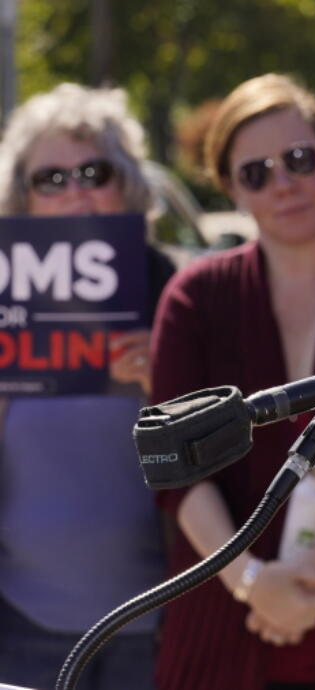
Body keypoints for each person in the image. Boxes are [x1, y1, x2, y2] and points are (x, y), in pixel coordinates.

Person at [149, 74, 315, 690]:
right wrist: (252, 584)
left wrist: (312, 575)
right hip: (219, 615)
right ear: (230, 188)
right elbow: (175, 470)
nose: (283, 183)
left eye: (299, 159)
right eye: (256, 173)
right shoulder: (195, 298)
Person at [0, 83, 173, 690]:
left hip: (154, 619)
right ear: (21, 197)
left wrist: (170, 383)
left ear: (125, 182)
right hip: (21, 625)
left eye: (92, 171)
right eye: (51, 179)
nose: (74, 191)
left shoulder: (175, 295)